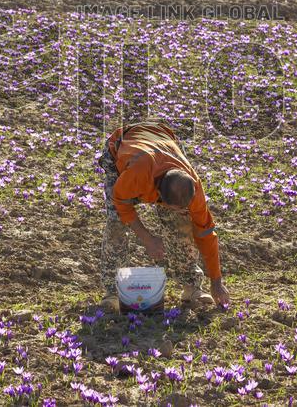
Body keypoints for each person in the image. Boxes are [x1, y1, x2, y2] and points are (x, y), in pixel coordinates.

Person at [97, 121, 230, 313]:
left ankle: (192, 286)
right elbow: (122, 204)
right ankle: (112, 292)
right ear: (158, 196)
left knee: (181, 221)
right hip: (122, 148)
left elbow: (207, 233)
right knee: (117, 221)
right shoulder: (137, 174)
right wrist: (148, 239)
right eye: (171, 206)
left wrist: (216, 281)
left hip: (165, 141)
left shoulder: (192, 187)